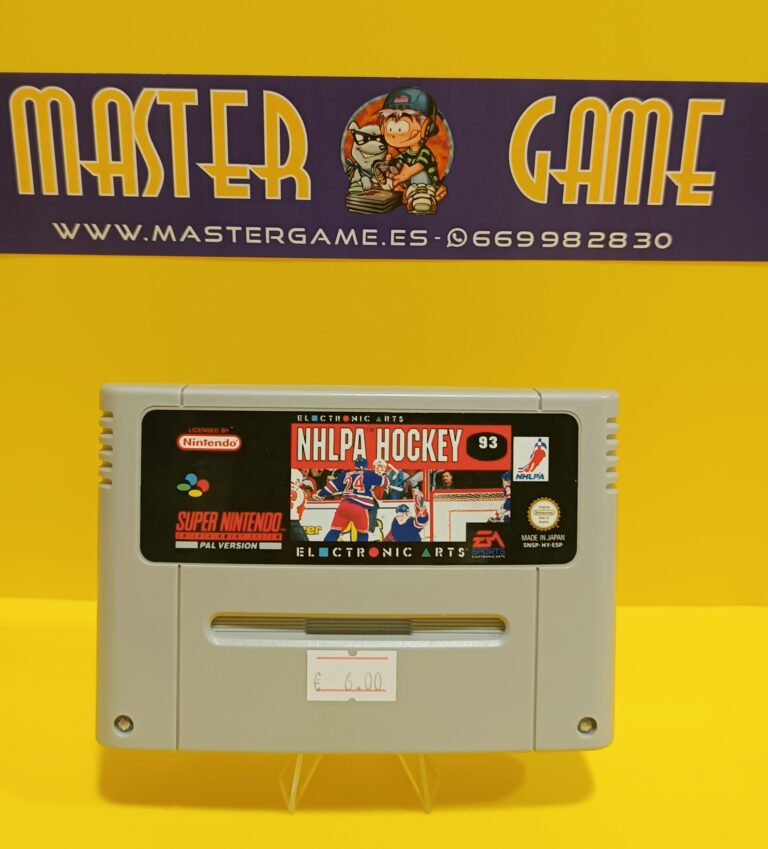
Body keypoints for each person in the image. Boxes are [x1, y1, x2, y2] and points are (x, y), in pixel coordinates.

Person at [379, 86, 445, 215]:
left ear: (427, 128)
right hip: (409, 185)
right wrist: (388, 169)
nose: (394, 134)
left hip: (427, 185)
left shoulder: (424, 152)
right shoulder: (405, 154)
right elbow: (397, 164)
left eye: (401, 128)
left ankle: (423, 198)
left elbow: (418, 166)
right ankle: (410, 195)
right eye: (390, 127)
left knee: (419, 175)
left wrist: (407, 174)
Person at [313, 457, 388, 542]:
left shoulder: (346, 474)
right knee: (362, 534)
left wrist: (320, 494)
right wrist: (382, 474)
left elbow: (331, 486)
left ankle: (322, 550)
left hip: (344, 506)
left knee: (334, 532)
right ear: (366, 465)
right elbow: (385, 482)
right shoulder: (368, 473)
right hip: (360, 507)